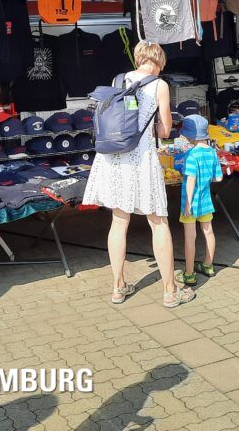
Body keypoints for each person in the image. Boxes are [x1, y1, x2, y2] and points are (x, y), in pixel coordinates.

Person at [83, 41, 195, 308]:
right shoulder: (159, 85)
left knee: (119, 221)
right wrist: (153, 123)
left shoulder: (118, 79)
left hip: (113, 158)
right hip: (141, 159)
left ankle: (118, 287)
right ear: (159, 62)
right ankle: (170, 291)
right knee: (158, 223)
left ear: (138, 59)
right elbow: (165, 131)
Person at [176, 114, 223, 287]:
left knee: (190, 238)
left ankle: (189, 274)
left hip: (190, 204)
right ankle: (208, 265)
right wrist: (207, 178)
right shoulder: (212, 152)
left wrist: (188, 204)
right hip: (206, 202)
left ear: (190, 135)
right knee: (208, 232)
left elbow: (191, 179)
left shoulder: (191, 154)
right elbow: (218, 178)